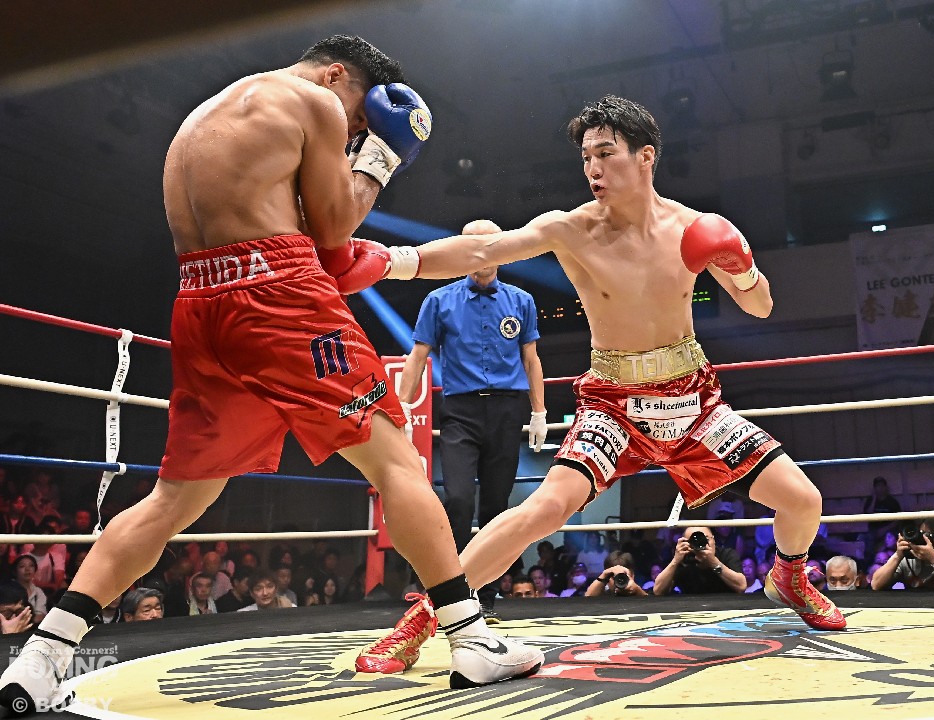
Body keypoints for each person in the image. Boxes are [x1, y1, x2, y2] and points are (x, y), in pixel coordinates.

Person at [0, 36, 541, 714]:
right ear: (338, 75)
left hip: (199, 305)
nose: (353, 135)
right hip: (280, 298)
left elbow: (300, 233)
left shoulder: (203, 117)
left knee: (173, 501)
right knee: (395, 461)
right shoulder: (315, 100)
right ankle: (471, 640)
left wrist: (384, 252)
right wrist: (381, 155)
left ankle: (41, 659)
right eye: (360, 119)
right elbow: (333, 231)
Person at [354, 95, 846, 672]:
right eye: (586, 157)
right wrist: (394, 261)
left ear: (646, 157)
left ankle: (789, 578)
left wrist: (744, 268)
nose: (593, 168)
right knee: (543, 509)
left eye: (606, 153)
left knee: (803, 501)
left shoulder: (693, 227)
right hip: (613, 404)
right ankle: (420, 620)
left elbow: (760, 306)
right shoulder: (573, 228)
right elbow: (484, 248)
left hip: (693, 403)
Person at [397, 220, 547, 619]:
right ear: (461, 252)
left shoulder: (521, 301)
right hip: (460, 411)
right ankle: (453, 592)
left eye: (490, 245)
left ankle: (486, 596)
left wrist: (539, 411)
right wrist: (402, 409)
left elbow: (531, 359)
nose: (482, 254)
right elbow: (417, 357)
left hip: (507, 409)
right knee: (458, 499)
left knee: (497, 504)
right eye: (474, 246)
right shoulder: (439, 300)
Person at [871, 517, 934, 590]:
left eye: (930, 539)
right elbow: (876, 584)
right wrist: (897, 556)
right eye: (923, 537)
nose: (926, 544)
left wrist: (933, 558)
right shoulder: (909, 555)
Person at [653, 527, 747, 595]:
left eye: (705, 539)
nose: (701, 543)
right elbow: (658, 591)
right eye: (694, 540)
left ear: (713, 540)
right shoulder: (683, 558)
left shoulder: (726, 554)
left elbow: (741, 586)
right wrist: (675, 561)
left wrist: (714, 563)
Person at [862, 476, 901, 555]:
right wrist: (874, 498)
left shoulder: (892, 501)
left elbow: (897, 520)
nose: (880, 488)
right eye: (878, 486)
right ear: (874, 488)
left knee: (890, 537)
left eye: (882, 486)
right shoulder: (870, 500)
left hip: (889, 529)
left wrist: (885, 529)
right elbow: (868, 514)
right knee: (868, 537)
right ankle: (870, 560)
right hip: (874, 530)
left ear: (885, 487)